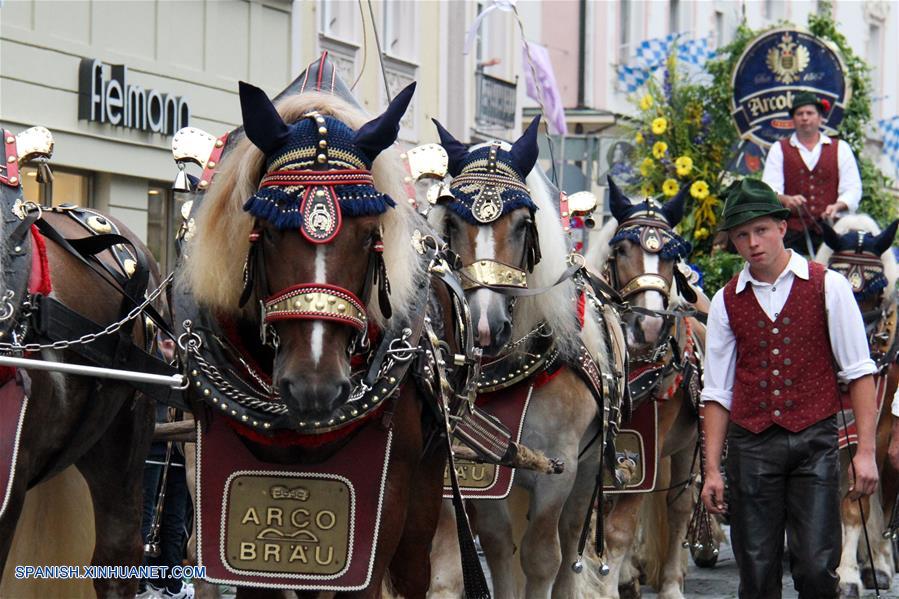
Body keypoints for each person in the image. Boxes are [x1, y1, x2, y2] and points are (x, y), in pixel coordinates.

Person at [700, 178, 878, 598]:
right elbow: (717, 392)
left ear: (782, 227)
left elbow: (859, 372)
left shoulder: (828, 285)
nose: (752, 243)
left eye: (761, 230)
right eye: (741, 235)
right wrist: (711, 469)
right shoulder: (726, 300)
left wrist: (865, 453)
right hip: (751, 447)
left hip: (813, 443)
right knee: (757, 574)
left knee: (817, 569)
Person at [761, 91, 862, 255]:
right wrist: (787, 199)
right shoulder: (779, 149)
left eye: (810, 113)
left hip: (832, 231)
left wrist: (838, 205)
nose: (805, 118)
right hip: (791, 232)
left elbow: (853, 188)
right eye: (799, 113)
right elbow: (769, 189)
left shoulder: (840, 148)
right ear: (793, 119)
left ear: (820, 118)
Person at [137, 338, 194, 599]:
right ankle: (139, 584)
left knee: (172, 517)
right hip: (156, 443)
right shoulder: (150, 343)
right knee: (145, 516)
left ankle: (169, 582)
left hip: (180, 447)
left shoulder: (188, 352)